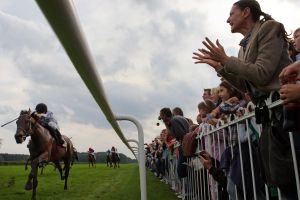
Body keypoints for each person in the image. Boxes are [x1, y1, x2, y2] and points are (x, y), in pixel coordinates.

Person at [192, 0, 294, 198]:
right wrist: (220, 67)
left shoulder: (270, 28)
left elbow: (262, 74)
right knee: (279, 178)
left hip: (286, 113)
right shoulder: (242, 48)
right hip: (269, 118)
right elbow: (246, 85)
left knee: (291, 178)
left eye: (231, 13)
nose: (227, 19)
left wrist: (226, 60)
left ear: (246, 12)